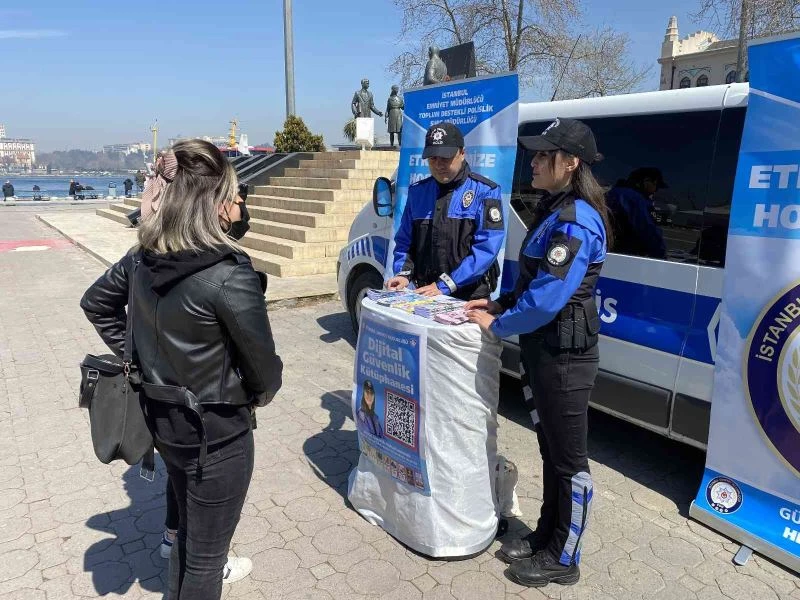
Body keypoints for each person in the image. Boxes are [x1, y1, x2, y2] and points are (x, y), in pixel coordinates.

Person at [80, 140, 283, 599]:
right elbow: (265, 373)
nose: (238, 206)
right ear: (214, 203)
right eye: (232, 196)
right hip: (218, 437)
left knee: (189, 543)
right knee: (205, 559)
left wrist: (144, 362)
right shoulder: (230, 273)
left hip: (165, 423)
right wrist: (252, 394)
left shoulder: (143, 257)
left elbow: (96, 303)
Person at [466, 118, 610, 588]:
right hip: (545, 351)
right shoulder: (554, 209)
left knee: (570, 461)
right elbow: (533, 281)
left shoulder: (575, 221)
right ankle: (548, 535)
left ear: (570, 163)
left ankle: (564, 558)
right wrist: (500, 302)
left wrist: (499, 324)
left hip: (565, 357)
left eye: (545, 155)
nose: (534, 161)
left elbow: (548, 299)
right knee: (550, 451)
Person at [386, 122, 505, 300]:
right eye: (433, 158)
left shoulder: (485, 191)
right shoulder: (417, 192)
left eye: (445, 157)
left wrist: (446, 284)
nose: (439, 164)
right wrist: (403, 274)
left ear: (462, 153)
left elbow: (486, 248)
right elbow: (404, 242)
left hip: (469, 297)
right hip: (426, 293)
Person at [606, 167, 667, 259]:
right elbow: (648, 231)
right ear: (646, 181)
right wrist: (661, 255)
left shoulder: (613, 193)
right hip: (624, 255)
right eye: (656, 185)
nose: (656, 190)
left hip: (606, 252)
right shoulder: (635, 200)